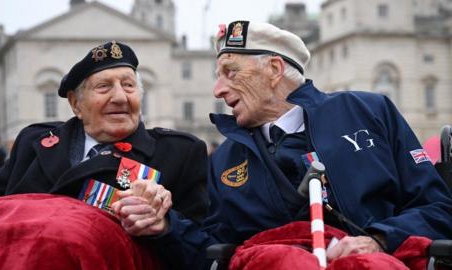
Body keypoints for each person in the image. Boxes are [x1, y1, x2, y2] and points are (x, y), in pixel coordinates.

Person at [114, 21, 452, 269]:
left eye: (229, 72)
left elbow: (439, 209)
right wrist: (166, 225)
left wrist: (378, 239)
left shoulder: (369, 112)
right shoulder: (224, 158)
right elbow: (212, 251)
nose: (217, 90)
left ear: (274, 69)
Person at [0, 41, 208, 269]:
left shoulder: (180, 153)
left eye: (128, 85)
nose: (120, 97)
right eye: (104, 87)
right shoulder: (33, 142)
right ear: (76, 104)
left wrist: (164, 224)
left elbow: (203, 252)